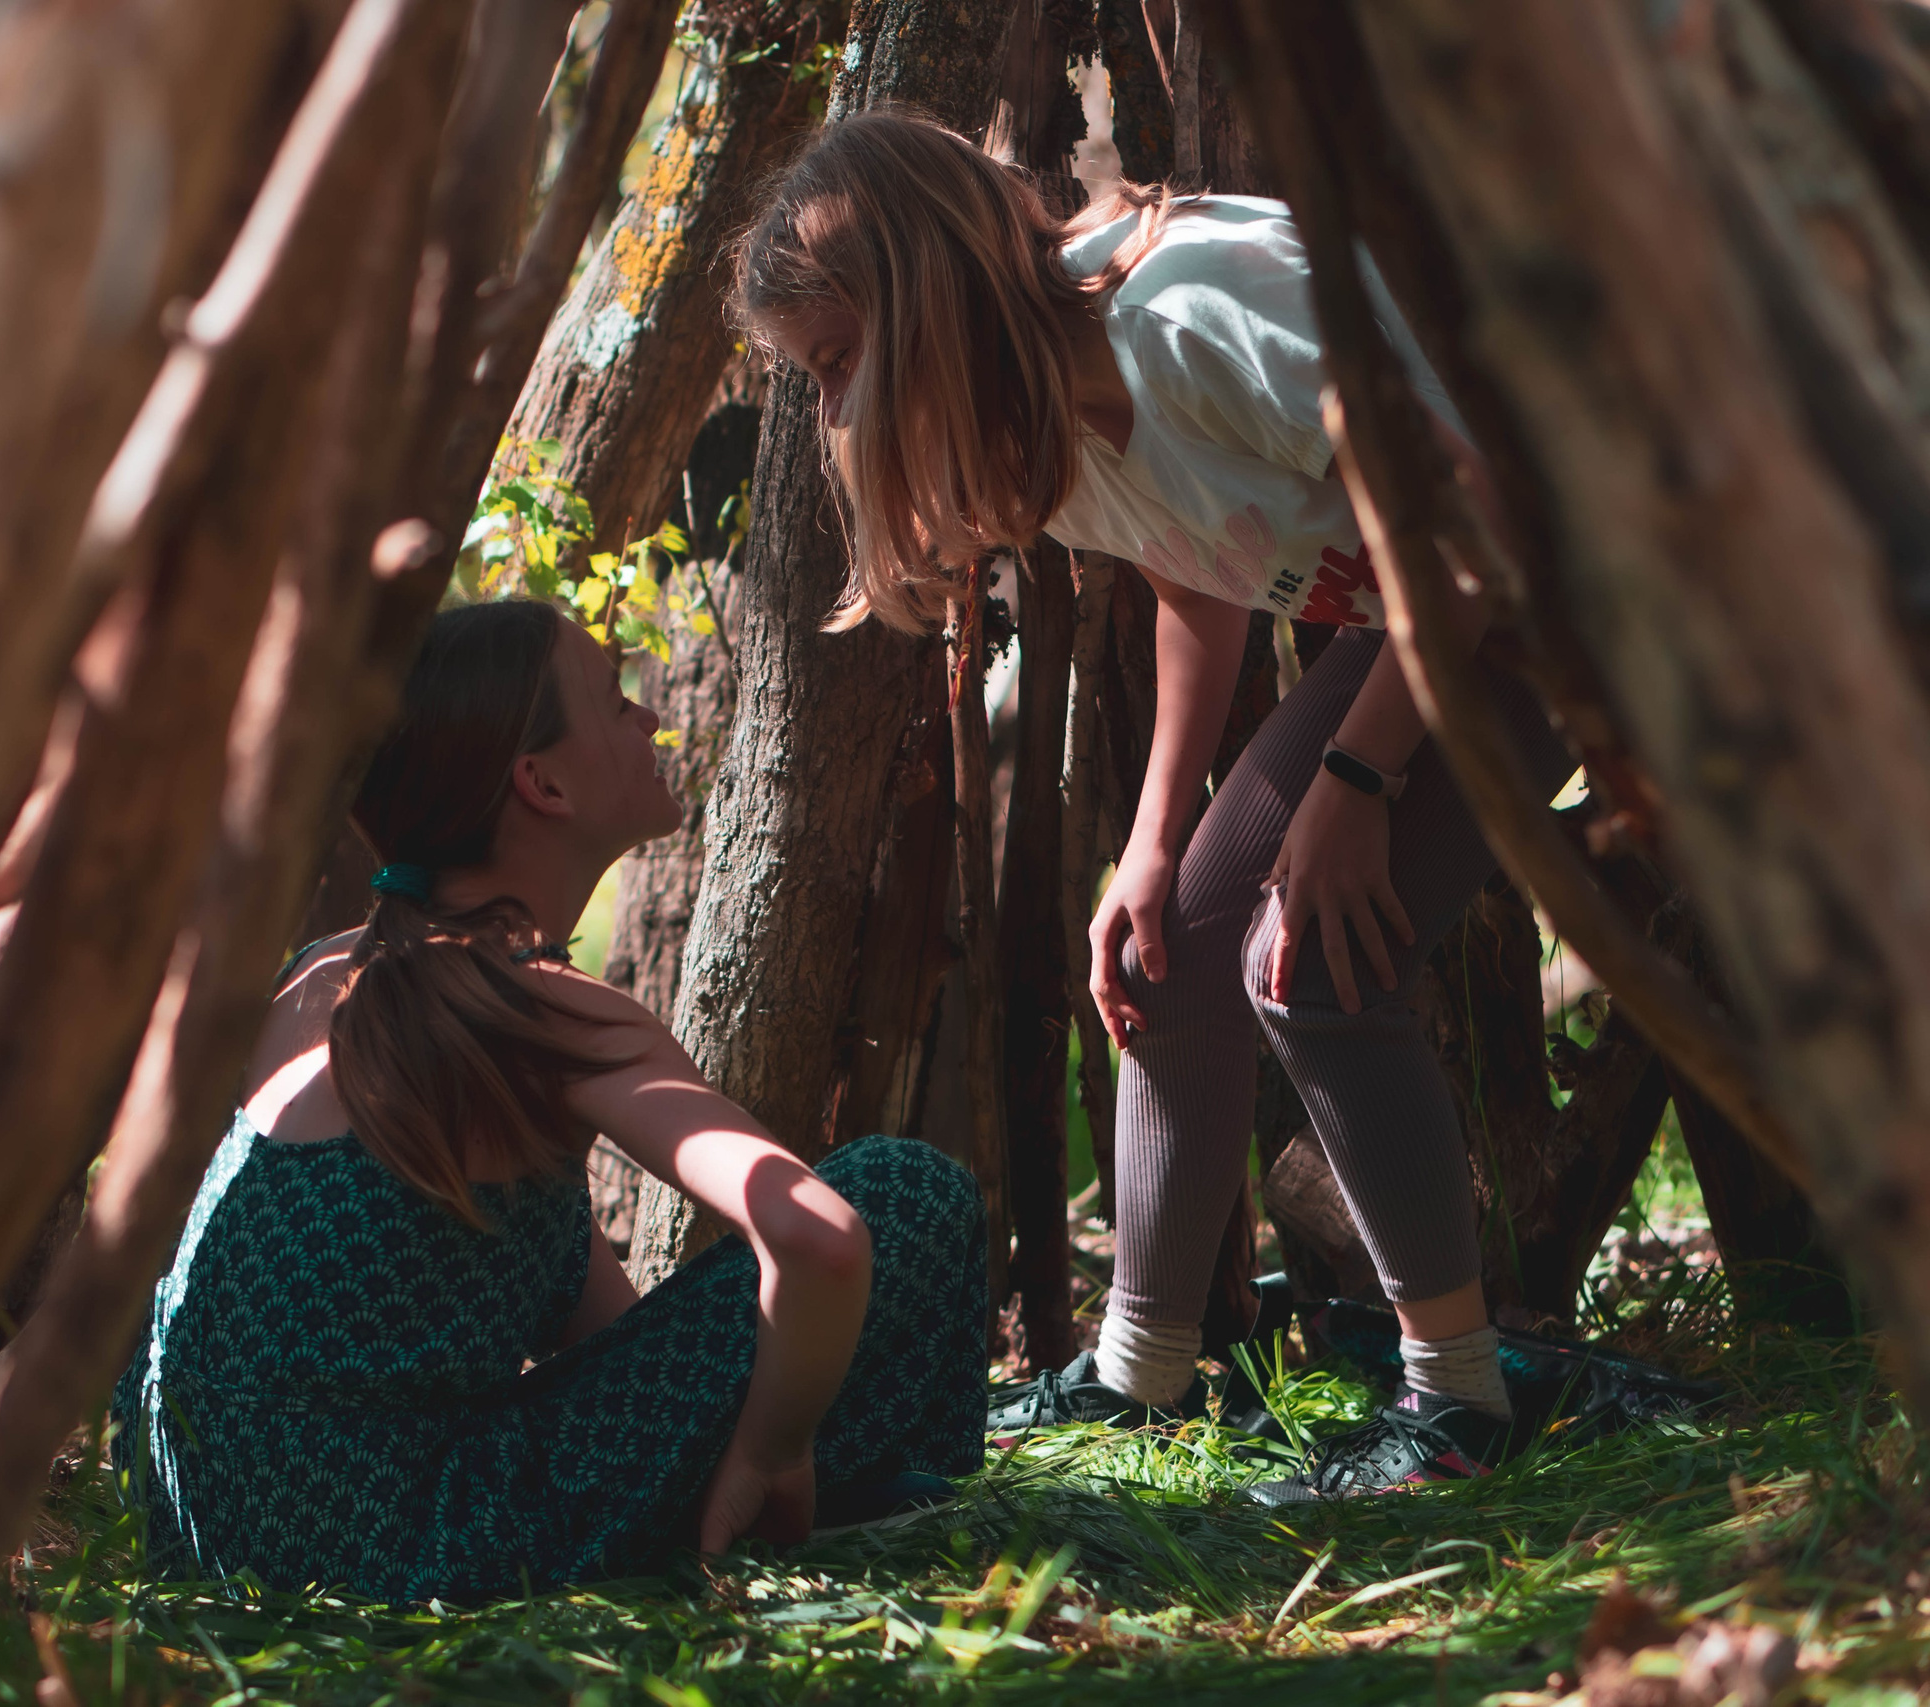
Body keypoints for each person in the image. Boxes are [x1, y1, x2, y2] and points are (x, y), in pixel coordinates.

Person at [735, 111, 1578, 1503]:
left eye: (836, 366)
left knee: (1311, 964)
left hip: (1581, 586)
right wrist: (1152, 837)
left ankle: (1461, 1405)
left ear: (921, 293)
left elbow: (1473, 517)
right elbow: (1199, 561)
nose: (833, 415)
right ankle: (1147, 1372)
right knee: (1175, 939)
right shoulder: (1037, 412)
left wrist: (1356, 782)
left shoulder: (1192, 306)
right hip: (1448, 620)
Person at [115, 599, 988, 1600]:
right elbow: (821, 1236)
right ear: (540, 783)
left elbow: (579, 1327)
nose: (649, 720)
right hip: (400, 1546)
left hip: (200, 1530)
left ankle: (827, 1495)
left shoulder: (322, 975)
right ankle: (836, 1505)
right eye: (616, 703)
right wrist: (770, 1448)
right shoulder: (537, 1009)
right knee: (907, 1193)